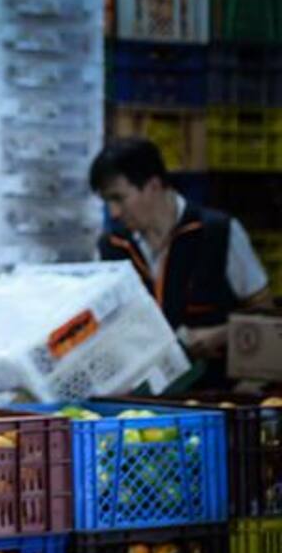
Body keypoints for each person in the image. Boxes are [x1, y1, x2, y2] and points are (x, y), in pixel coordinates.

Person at [91, 137, 272, 380]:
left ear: (153, 186)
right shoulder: (112, 247)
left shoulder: (218, 233)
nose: (113, 212)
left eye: (119, 198)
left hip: (216, 393)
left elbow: (265, 314)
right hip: (140, 397)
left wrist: (220, 334)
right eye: (107, 202)